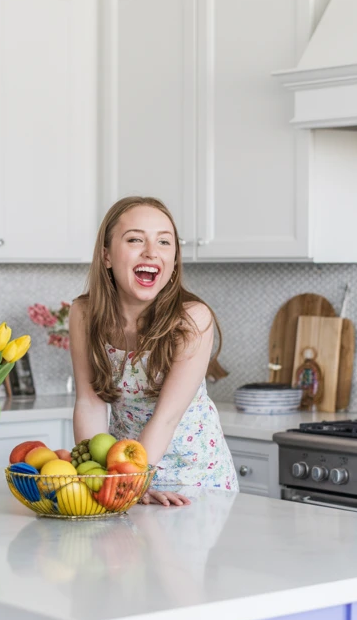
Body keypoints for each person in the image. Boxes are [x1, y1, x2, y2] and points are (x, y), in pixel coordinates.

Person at [69, 196, 238, 506]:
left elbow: (166, 418)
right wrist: (97, 478)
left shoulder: (192, 319)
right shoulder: (84, 314)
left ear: (173, 259)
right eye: (135, 239)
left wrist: (132, 481)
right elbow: (89, 404)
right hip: (123, 477)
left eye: (164, 242)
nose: (151, 251)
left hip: (194, 484)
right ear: (106, 256)